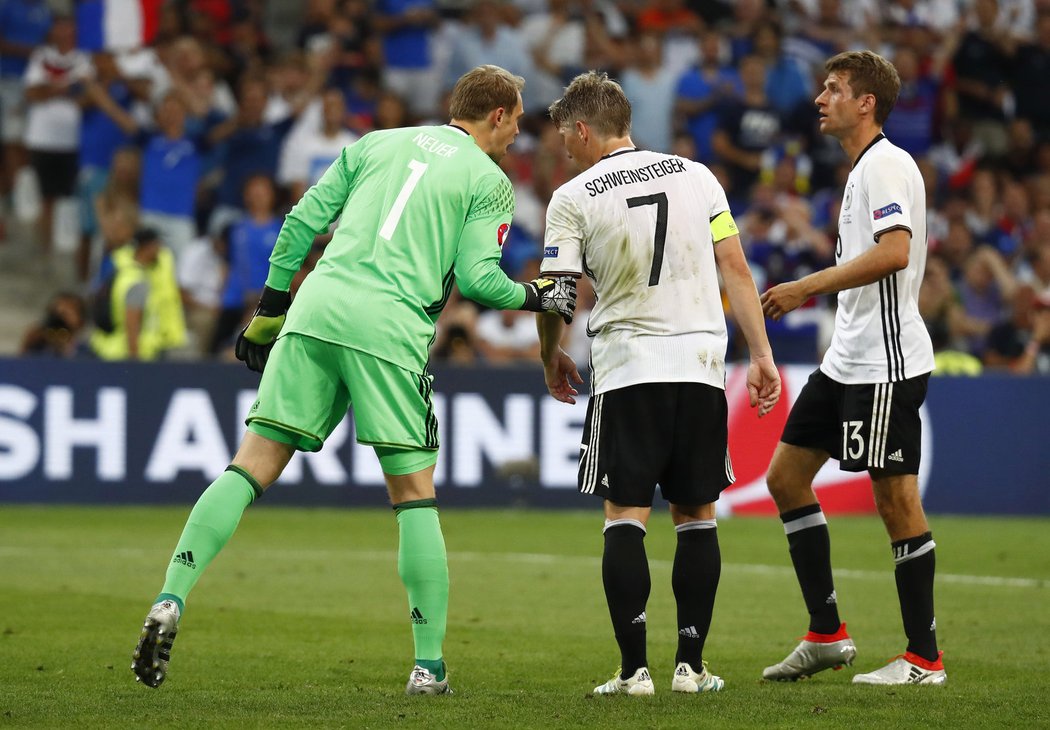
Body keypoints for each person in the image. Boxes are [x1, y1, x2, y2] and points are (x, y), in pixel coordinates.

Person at [130, 64, 576, 695]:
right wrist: (542, 297)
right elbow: (480, 282)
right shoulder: (488, 179)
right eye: (517, 123)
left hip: (316, 306)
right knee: (413, 494)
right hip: (389, 327)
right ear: (498, 116)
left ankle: (171, 594)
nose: (515, 138)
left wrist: (269, 312)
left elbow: (299, 225)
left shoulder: (376, 142)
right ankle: (429, 666)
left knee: (249, 464)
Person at [536, 71, 781, 696]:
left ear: (585, 129)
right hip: (700, 365)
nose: (564, 147)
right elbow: (735, 268)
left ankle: (633, 671)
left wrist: (551, 354)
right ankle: (691, 668)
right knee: (697, 514)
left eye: (566, 134)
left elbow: (558, 293)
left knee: (626, 514)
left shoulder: (573, 196)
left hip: (627, 366)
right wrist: (761, 354)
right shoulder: (699, 176)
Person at [759, 50, 944, 686]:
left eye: (834, 89)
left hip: (886, 362)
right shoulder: (863, 169)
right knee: (785, 478)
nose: (820, 99)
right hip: (847, 358)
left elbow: (895, 254)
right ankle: (826, 633)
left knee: (895, 497)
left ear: (866, 103)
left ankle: (923, 657)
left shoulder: (887, 165)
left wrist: (805, 286)